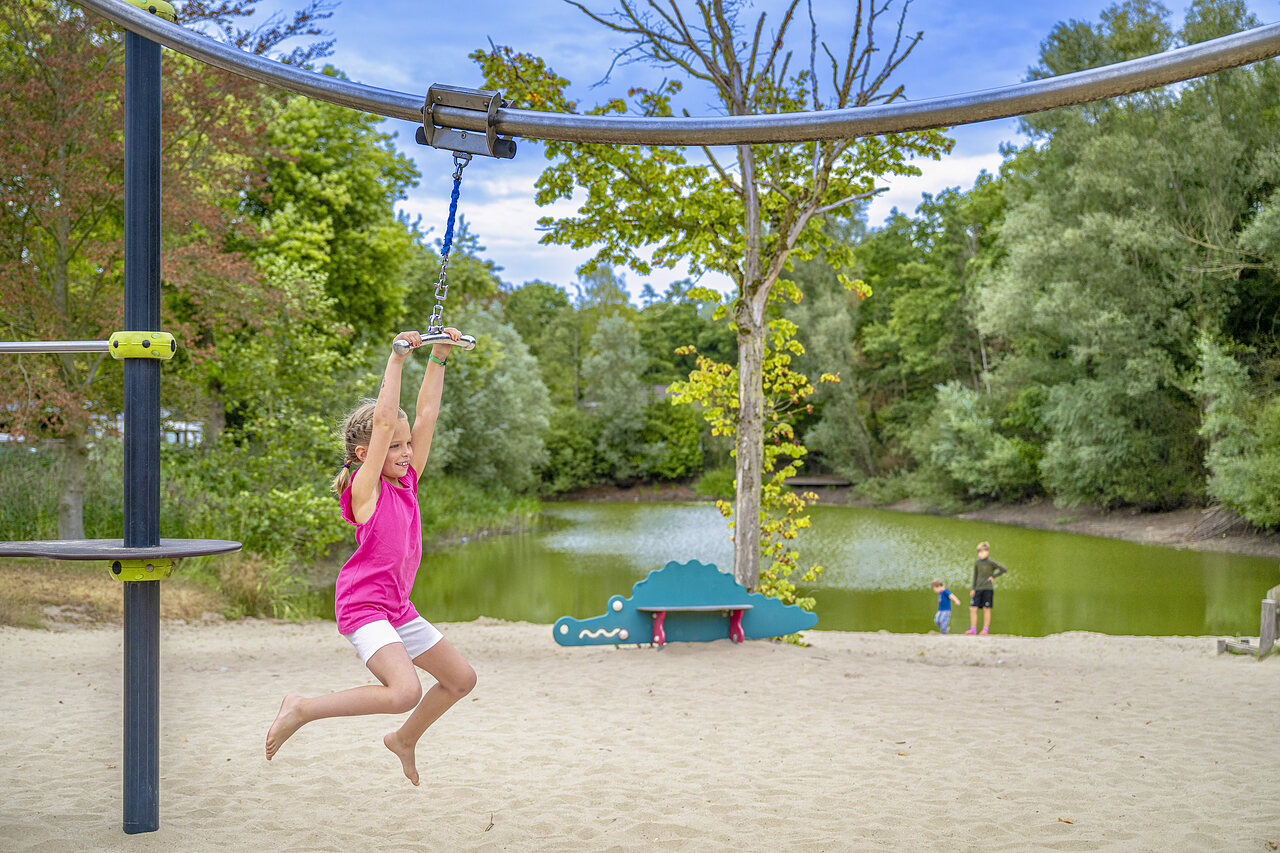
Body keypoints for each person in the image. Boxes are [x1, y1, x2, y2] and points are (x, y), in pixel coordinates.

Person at [265, 329, 476, 786]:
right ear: (365, 456)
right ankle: (300, 708)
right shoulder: (367, 491)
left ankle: (403, 739)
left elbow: (425, 414)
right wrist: (397, 360)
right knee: (404, 691)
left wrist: (438, 358)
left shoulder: (407, 481)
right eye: (395, 447)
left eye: (407, 445)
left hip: (396, 607)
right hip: (364, 605)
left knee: (461, 680)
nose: (405, 451)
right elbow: (384, 424)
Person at [966, 540, 1008, 635]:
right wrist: (973, 588)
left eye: (982, 552)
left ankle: (985, 630)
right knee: (972, 608)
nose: (980, 554)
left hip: (988, 589)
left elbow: (1004, 569)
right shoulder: (977, 562)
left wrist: (994, 576)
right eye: (979, 552)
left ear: (987, 551)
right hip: (978, 589)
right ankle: (973, 629)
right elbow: (975, 575)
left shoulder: (991, 562)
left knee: (986, 608)